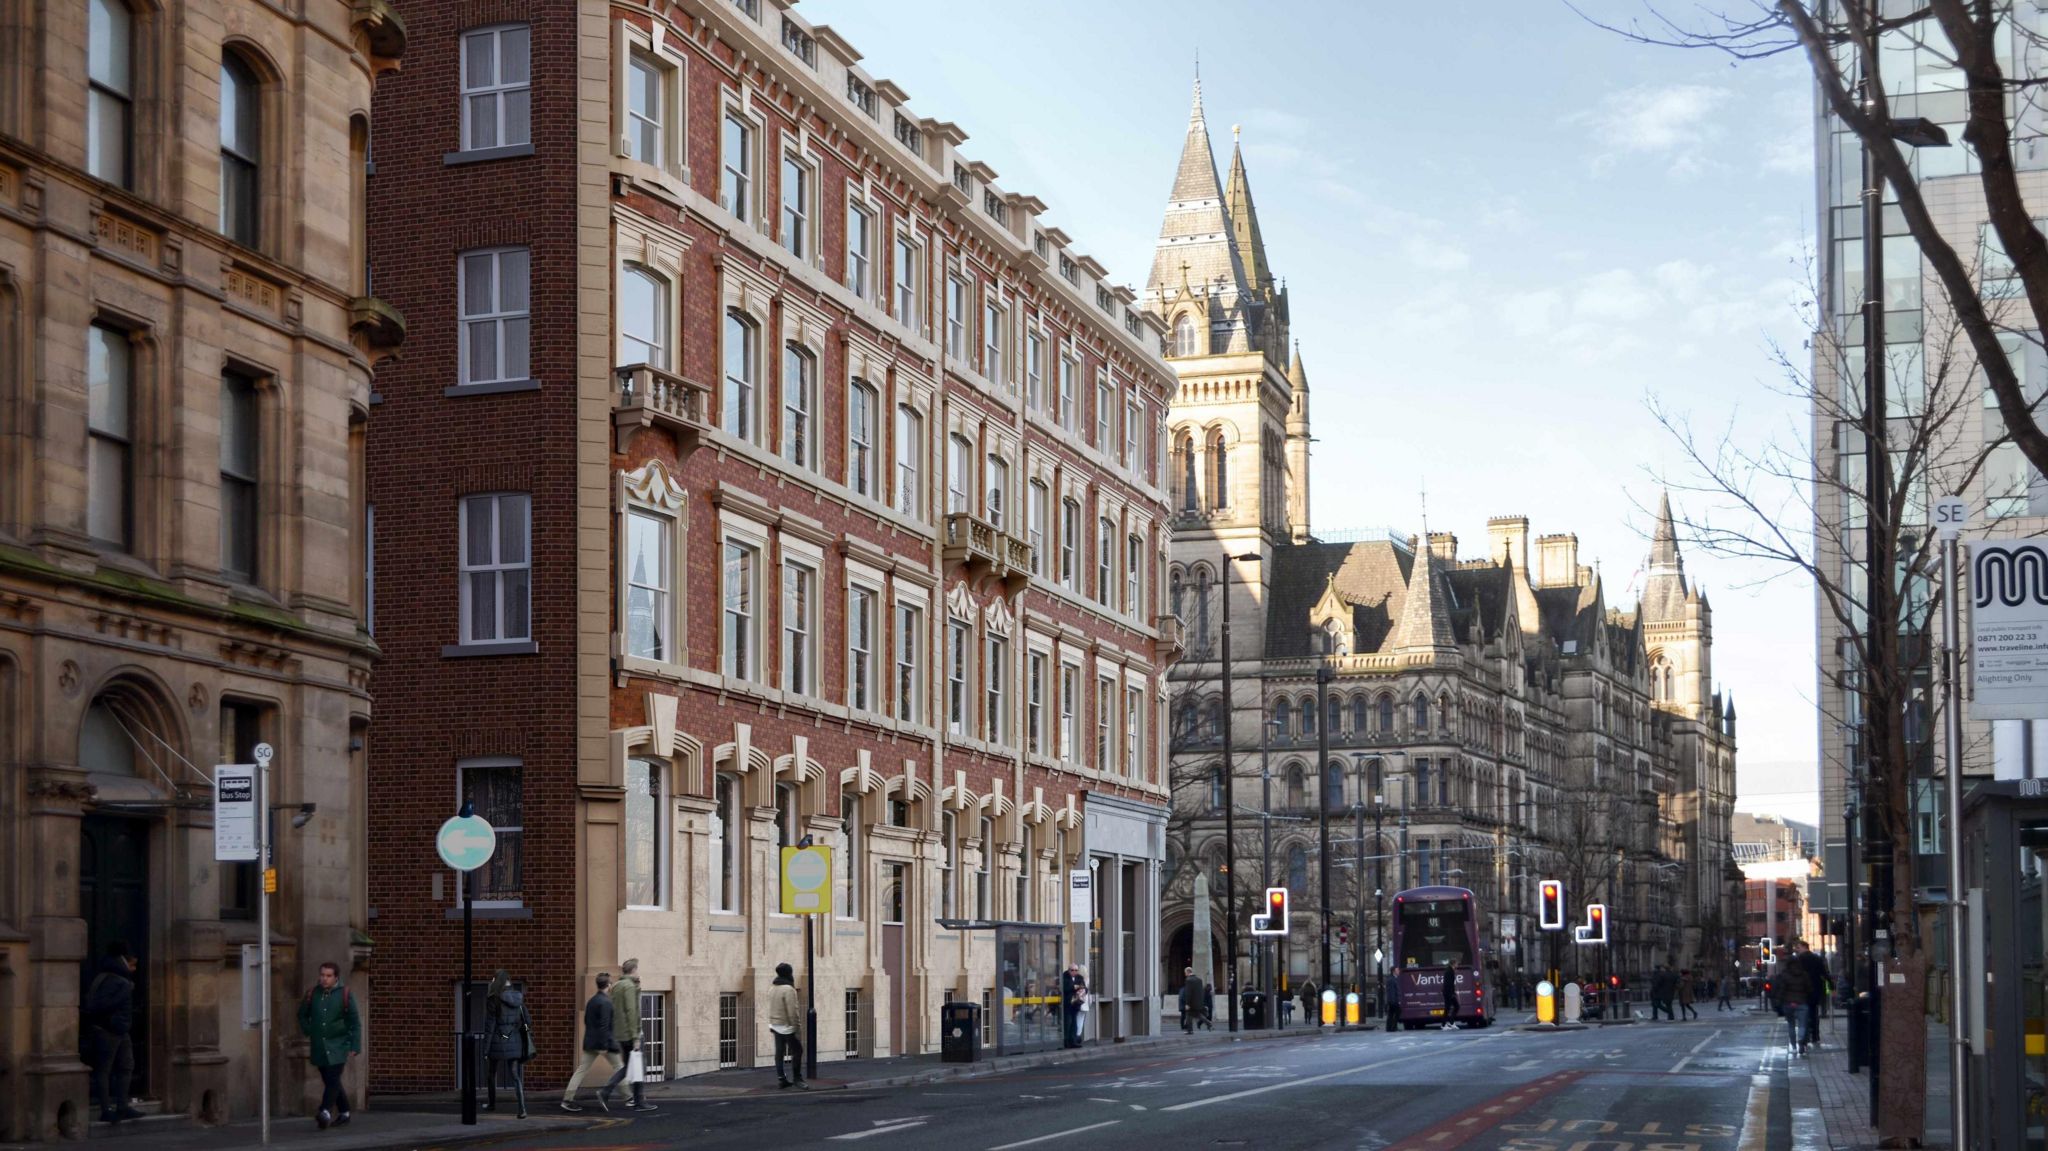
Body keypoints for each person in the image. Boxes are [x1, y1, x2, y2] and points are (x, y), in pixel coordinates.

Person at [296, 961, 361, 1129]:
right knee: (330, 1080)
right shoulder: (312, 993)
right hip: (319, 1046)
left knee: (332, 1078)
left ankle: (324, 1111)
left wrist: (355, 1045)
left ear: (335, 977)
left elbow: (354, 1022)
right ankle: (345, 1112)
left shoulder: (345, 994)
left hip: (339, 1045)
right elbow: (302, 1015)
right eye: (322, 975)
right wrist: (309, 1030)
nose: (324, 979)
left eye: (328, 976)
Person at [83, 941, 142, 1124]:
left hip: (120, 1030)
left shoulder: (110, 977)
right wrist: (125, 992)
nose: (134, 969)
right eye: (132, 965)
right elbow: (99, 1005)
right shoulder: (116, 981)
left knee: (126, 1066)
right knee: (105, 1070)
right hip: (109, 1029)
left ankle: (122, 1106)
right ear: (124, 961)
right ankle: (106, 1109)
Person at [602, 958, 654, 1111]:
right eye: (637, 969)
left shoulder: (617, 985)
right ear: (634, 970)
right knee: (639, 1067)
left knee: (629, 1066)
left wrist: (637, 985)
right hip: (631, 1033)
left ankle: (607, 1092)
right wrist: (636, 1036)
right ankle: (638, 1102)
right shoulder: (628, 986)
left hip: (620, 1033)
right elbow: (632, 1011)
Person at [561, 972, 617, 1112]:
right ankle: (630, 1097)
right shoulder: (606, 1002)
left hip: (590, 1042)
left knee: (581, 1070)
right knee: (620, 1067)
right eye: (611, 984)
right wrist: (604, 1045)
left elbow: (587, 1021)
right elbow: (605, 1025)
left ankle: (567, 1099)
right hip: (602, 1043)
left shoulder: (592, 1000)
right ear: (609, 985)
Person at [482, 970, 533, 1118]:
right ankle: (522, 1109)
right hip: (514, 1040)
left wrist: (485, 1050)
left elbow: (490, 1026)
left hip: (497, 1041)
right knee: (515, 1076)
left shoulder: (493, 999)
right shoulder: (518, 998)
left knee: (491, 1074)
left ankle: (491, 1104)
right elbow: (527, 1021)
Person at [767, 962, 807, 1089]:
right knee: (798, 1051)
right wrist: (797, 1027)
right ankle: (797, 1078)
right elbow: (792, 1011)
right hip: (787, 1026)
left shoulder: (773, 988)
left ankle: (782, 1079)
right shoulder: (789, 990)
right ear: (789, 973)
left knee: (779, 1053)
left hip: (775, 1024)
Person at [1776, 948, 1813, 1055]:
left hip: (1788, 1003)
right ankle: (1801, 1040)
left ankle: (1793, 1046)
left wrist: (1779, 1001)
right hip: (1802, 1002)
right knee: (1802, 1024)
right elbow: (1809, 988)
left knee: (1791, 1024)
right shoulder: (1804, 974)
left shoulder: (1784, 975)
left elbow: (1781, 989)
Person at [1795, 941, 1830, 1051]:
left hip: (1803, 991)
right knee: (1814, 1013)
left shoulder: (1799, 960)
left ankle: (1806, 1036)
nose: (1797, 949)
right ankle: (1815, 1035)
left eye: (1798, 947)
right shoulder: (1817, 958)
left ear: (1804, 947)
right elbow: (1824, 973)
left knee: (1804, 1013)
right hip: (1816, 990)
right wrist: (1831, 985)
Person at [1061, 964, 1087, 1048]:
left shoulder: (1079, 977)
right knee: (1068, 1022)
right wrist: (1074, 987)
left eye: (1076, 970)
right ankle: (1066, 1041)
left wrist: (1082, 990)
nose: (1074, 972)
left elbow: (1085, 988)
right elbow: (1065, 987)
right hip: (1067, 1003)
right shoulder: (1064, 976)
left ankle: (1073, 1041)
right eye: (1072, 970)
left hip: (1076, 1003)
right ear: (1069, 970)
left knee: (1074, 1023)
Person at [1177, 967, 1204, 1033]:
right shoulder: (1199, 980)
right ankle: (1189, 1029)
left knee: (1190, 1015)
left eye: (1185, 972)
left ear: (1188, 972)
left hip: (1188, 1003)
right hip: (1193, 1003)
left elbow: (1188, 994)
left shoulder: (1188, 980)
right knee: (1192, 1015)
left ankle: (1189, 1029)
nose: (1185, 974)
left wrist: (1187, 1003)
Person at [1439, 964, 1460, 1030]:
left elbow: (1451, 983)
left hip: (1449, 992)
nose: (1457, 965)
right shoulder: (1449, 971)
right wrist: (1451, 993)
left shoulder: (1450, 971)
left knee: (1454, 1007)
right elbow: (1448, 984)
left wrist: (1453, 992)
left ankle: (1451, 1022)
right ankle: (1444, 1024)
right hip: (1448, 993)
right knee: (1449, 1008)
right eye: (1456, 964)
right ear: (1453, 964)